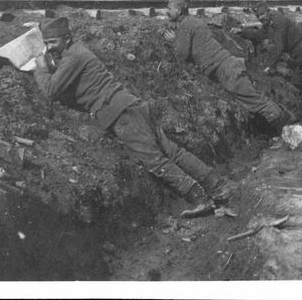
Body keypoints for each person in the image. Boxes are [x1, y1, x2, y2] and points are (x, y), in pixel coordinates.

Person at [32, 17, 235, 218]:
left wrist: (40, 69)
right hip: (129, 105)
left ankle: (200, 199)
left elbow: (51, 89)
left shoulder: (72, 57)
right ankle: (218, 187)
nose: (49, 48)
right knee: (171, 151)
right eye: (46, 43)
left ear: (66, 38)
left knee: (154, 161)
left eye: (52, 42)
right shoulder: (74, 53)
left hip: (120, 113)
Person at [163, 0, 293, 135]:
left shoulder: (186, 25)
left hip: (227, 71)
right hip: (229, 67)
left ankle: (288, 130)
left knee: (256, 102)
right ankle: (285, 128)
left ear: (179, 10)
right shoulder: (192, 21)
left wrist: (174, 41)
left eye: (170, 8)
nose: (167, 11)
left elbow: (181, 55)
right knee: (255, 99)